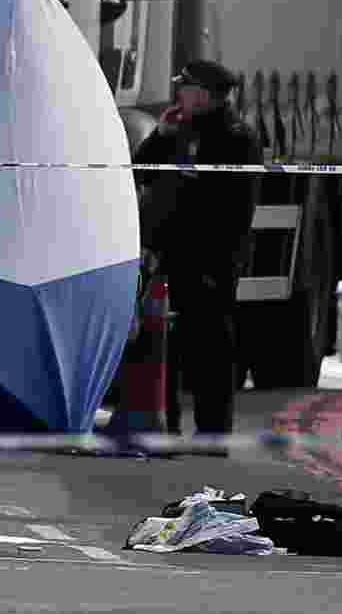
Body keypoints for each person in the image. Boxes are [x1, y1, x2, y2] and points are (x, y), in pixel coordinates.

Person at [133, 59, 260, 440]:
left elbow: (236, 210)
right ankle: (167, 423)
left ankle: (213, 430)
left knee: (210, 347)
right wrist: (162, 133)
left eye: (185, 88)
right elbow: (143, 172)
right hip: (173, 253)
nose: (179, 94)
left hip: (212, 259)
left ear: (204, 94)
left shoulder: (238, 137)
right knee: (165, 343)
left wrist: (216, 262)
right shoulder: (180, 129)